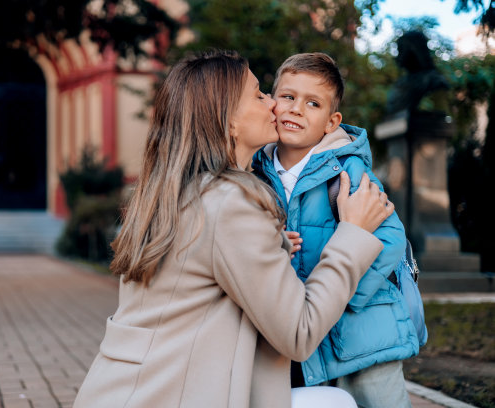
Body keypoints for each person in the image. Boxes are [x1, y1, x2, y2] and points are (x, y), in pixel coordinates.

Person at [73, 49, 395, 408]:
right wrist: (353, 235)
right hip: (171, 395)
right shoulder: (231, 202)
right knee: (337, 404)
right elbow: (298, 333)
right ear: (229, 122)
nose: (274, 104)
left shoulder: (174, 192)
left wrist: (271, 249)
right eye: (259, 95)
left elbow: (205, 269)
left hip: (124, 392)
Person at [251, 52, 418, 408]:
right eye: (288, 96)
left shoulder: (346, 171)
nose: (296, 109)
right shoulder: (254, 173)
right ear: (271, 102)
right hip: (299, 333)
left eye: (313, 103)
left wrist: (343, 299)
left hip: (363, 334)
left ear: (331, 122)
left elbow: (390, 239)